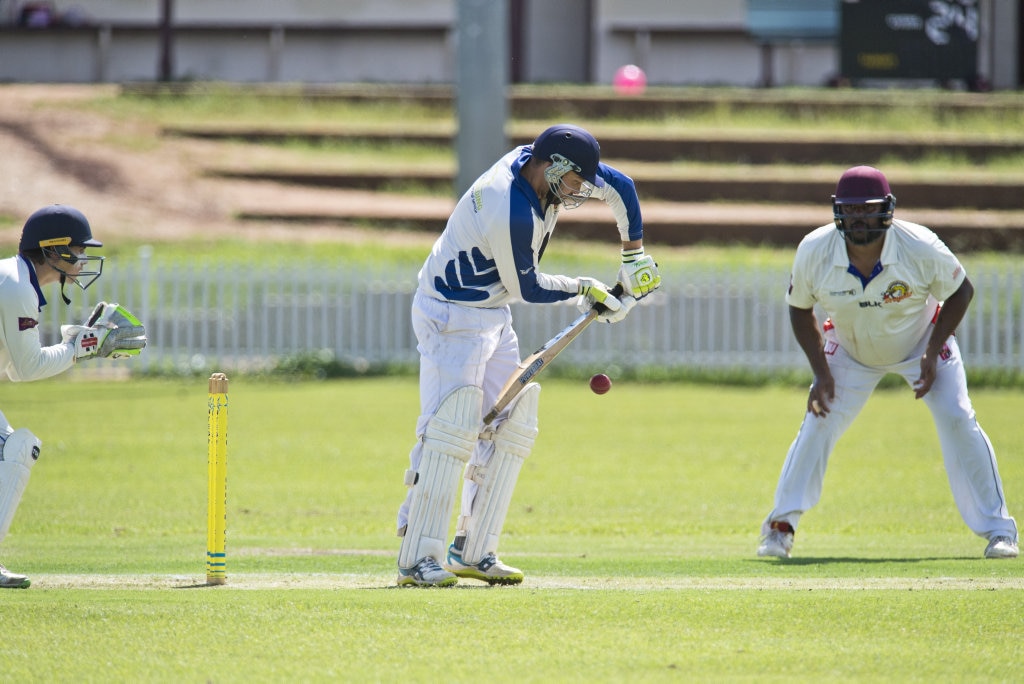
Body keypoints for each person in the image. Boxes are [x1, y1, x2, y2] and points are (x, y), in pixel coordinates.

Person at [395, 124, 662, 587]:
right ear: (553, 167)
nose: (579, 192)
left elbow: (622, 187)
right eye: (575, 182)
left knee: (508, 421)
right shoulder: (510, 207)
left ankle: (471, 549)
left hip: (490, 312)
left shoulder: (550, 167)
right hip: (450, 314)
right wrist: (585, 288)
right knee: (448, 428)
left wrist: (633, 254)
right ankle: (417, 554)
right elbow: (530, 287)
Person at [758, 166, 1018, 560]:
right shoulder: (815, 248)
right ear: (837, 212)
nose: (859, 218)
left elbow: (961, 291)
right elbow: (799, 310)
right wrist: (821, 372)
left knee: (959, 418)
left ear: (887, 210)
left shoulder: (919, 245)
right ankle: (780, 528)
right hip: (849, 349)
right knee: (817, 422)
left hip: (922, 345)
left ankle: (1000, 531)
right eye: (850, 210)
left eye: (868, 209)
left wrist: (933, 351)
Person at [0, 205, 147, 588]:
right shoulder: (16, 286)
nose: (84, 258)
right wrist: (80, 348)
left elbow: (15, 370)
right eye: (78, 250)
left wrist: (76, 347)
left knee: (13, 449)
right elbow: (29, 368)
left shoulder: (17, 280)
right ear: (52, 250)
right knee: (17, 449)